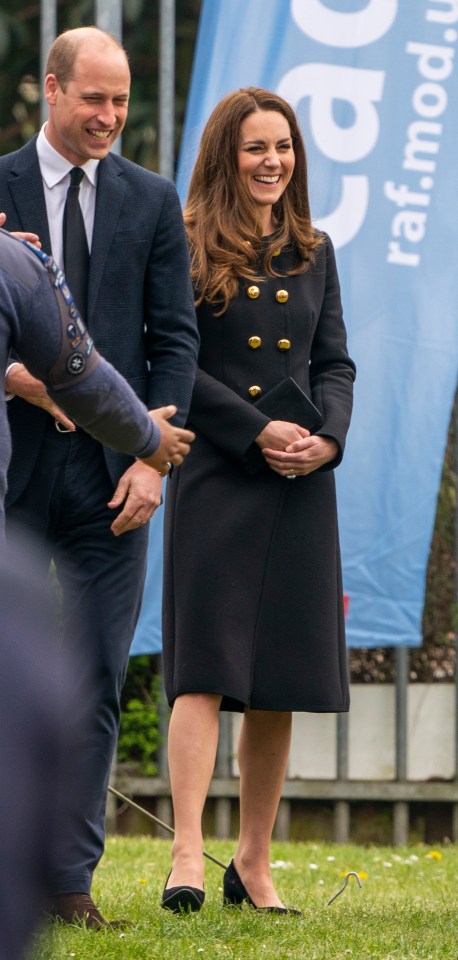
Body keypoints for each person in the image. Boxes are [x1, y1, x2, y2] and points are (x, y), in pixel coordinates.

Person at [0, 26, 199, 926]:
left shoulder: (153, 201)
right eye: (95, 99)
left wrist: (155, 463)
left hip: (118, 481)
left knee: (92, 681)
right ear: (51, 89)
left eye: (121, 101)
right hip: (12, 467)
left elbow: (175, 340)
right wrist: (25, 379)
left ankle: (69, 885)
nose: (111, 116)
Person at [162, 87, 356, 914]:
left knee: (278, 677)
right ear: (225, 157)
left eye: (283, 146)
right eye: (255, 148)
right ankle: (186, 859)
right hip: (220, 474)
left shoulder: (317, 248)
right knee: (203, 673)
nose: (273, 161)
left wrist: (327, 440)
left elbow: (335, 364)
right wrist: (255, 430)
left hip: (300, 485)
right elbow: (171, 361)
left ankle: (254, 863)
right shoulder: (185, 244)